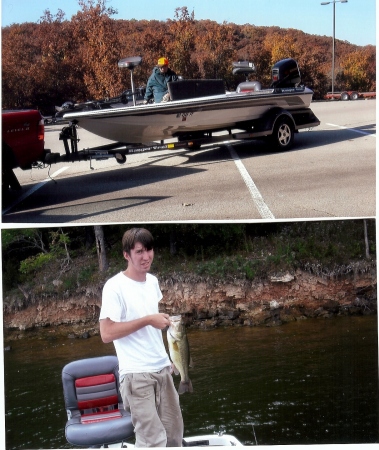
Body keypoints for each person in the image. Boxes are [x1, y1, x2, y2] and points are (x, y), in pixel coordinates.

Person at [99, 228, 184, 447]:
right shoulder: (114, 287)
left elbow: (151, 331)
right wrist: (148, 320)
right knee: (152, 441)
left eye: (149, 250)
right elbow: (106, 333)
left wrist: (169, 360)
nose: (146, 257)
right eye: (139, 252)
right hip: (136, 377)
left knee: (174, 437)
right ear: (126, 255)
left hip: (163, 370)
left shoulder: (153, 282)